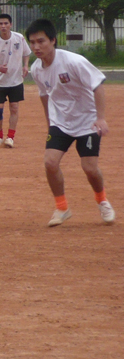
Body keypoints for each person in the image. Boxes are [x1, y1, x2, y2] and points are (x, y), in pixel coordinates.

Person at [26, 18, 114, 227]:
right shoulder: (36, 69)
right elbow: (44, 95)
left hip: (87, 122)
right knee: (50, 162)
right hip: (61, 122)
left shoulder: (74, 61)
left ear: (53, 40)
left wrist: (100, 118)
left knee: (90, 168)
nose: (36, 47)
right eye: (32, 42)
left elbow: (97, 85)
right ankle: (62, 208)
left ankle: (102, 201)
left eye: (41, 41)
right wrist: (50, 123)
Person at [0, 13, 32, 148]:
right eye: (1, 23)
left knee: (14, 107)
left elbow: (26, 53)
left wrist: (26, 66)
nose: (3, 26)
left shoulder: (19, 38)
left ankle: (10, 137)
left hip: (16, 81)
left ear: (10, 24)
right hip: (0, 82)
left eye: (6, 23)